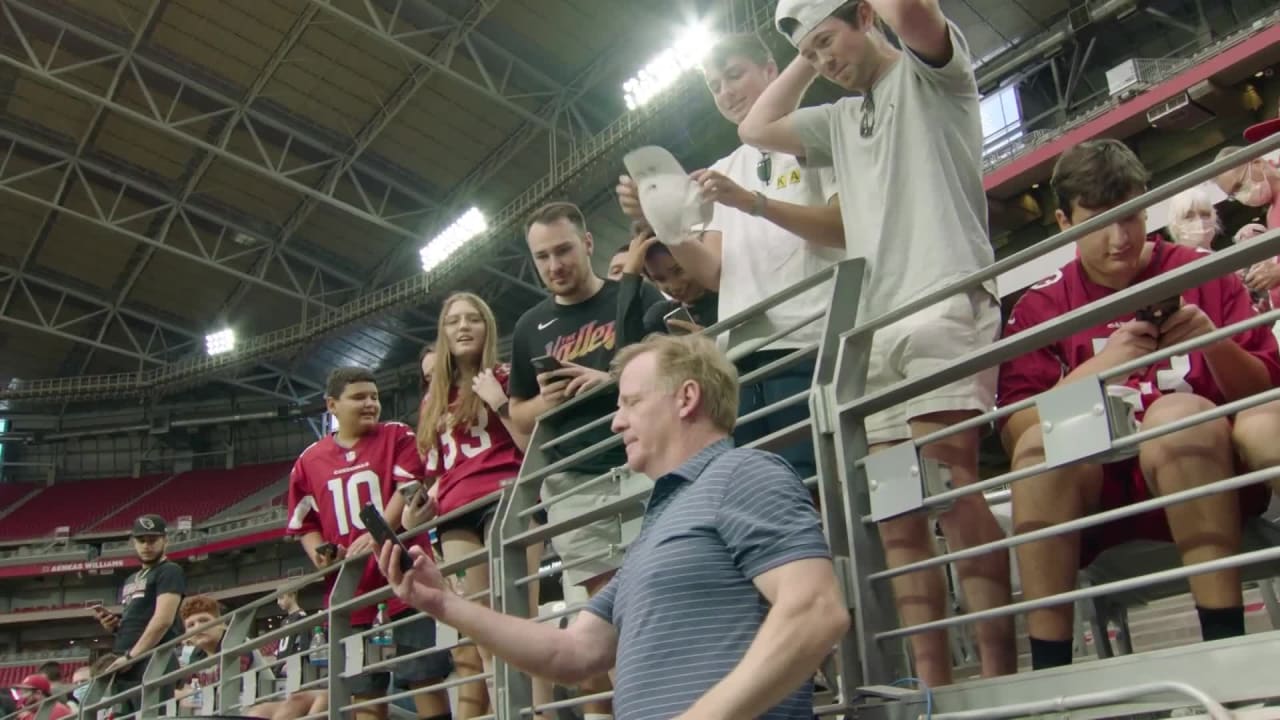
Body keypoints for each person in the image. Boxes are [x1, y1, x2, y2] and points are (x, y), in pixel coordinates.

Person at [737, 0, 1015, 683]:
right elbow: (755, 126)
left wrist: (846, 20)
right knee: (896, 514)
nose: (825, 63)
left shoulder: (932, 78)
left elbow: (914, 12)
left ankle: (1004, 677)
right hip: (877, 328)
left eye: (830, 42)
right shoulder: (836, 120)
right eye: (812, 56)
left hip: (944, 299)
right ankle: (933, 689)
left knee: (950, 487)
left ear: (865, 14)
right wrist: (808, 50)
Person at [377, 333, 848, 720]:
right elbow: (572, 653)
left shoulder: (743, 473)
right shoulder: (658, 528)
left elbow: (815, 610)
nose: (616, 423)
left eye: (631, 403)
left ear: (686, 398)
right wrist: (443, 603)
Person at [999, 138, 1280, 669]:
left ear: (1147, 203)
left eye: (1130, 216)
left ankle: (1226, 654)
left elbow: (1264, 388)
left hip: (1207, 473)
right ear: (1063, 222)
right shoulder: (1041, 305)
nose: (1120, 237)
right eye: (1097, 221)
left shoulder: (1200, 269)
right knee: (1038, 453)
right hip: (1097, 495)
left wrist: (1211, 342)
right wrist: (1099, 370)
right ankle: (1052, 675)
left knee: (1175, 419)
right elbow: (1015, 430)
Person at [617, 32, 844, 482]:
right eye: (714, 85)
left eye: (734, 75)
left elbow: (842, 228)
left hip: (810, 338)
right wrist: (662, 219)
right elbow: (715, 273)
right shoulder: (726, 168)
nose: (725, 92)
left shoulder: (818, 132)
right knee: (760, 499)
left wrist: (753, 203)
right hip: (740, 359)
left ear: (771, 71)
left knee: (818, 487)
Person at [509, 201, 662, 718]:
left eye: (563, 250)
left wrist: (615, 379)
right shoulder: (530, 325)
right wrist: (545, 401)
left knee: (658, 587)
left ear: (589, 243)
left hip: (642, 459)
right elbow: (519, 412)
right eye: (543, 257)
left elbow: (667, 364)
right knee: (607, 607)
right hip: (572, 478)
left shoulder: (631, 294)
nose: (555, 265)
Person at [285, 367, 452, 720]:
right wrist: (320, 554)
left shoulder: (398, 436)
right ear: (332, 404)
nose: (370, 404)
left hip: (406, 584)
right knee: (365, 696)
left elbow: (406, 491)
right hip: (352, 595)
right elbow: (305, 523)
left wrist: (373, 534)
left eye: (374, 397)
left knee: (425, 680)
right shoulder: (308, 460)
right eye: (359, 397)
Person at [407, 292, 528, 719]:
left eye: (473, 319)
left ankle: (537, 713)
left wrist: (499, 401)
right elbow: (435, 473)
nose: (463, 326)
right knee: (481, 628)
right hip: (456, 514)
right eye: (453, 320)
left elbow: (531, 445)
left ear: (487, 328)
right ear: (442, 334)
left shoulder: (507, 375)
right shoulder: (431, 401)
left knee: (517, 619)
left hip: (505, 496)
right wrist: (416, 512)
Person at [93, 514, 185, 715]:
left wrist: (131, 656)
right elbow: (137, 620)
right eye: (141, 540)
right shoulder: (130, 579)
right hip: (126, 662)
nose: (146, 545)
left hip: (152, 659)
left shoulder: (169, 570)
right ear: (133, 543)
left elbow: (163, 620)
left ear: (165, 540)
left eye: (153, 540)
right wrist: (115, 626)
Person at [176, 595, 276, 715]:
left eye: (204, 620)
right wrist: (189, 695)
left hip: (259, 709)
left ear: (221, 624)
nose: (198, 627)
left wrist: (187, 695)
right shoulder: (195, 656)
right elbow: (194, 697)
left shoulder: (237, 643)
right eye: (190, 625)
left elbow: (230, 693)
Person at [616, 223, 717, 339]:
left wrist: (712, 342)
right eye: (660, 279)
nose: (674, 286)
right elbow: (628, 348)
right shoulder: (660, 317)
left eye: (679, 270)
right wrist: (630, 275)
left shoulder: (730, 293)